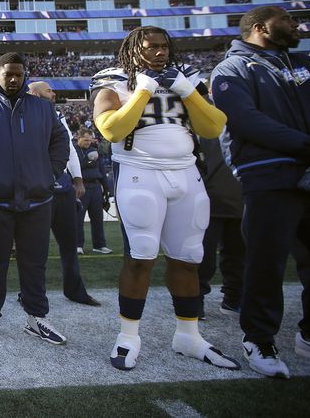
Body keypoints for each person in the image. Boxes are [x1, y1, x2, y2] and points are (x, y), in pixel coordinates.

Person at [91, 25, 238, 372]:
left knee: (189, 257)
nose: (159, 52)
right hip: (140, 172)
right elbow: (111, 129)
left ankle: (188, 335)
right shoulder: (113, 80)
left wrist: (186, 90)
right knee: (141, 256)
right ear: (132, 49)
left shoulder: (186, 77)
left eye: (163, 46)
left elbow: (213, 126)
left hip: (186, 172)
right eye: (150, 47)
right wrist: (143, 91)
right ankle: (128, 336)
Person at [210, 6, 310, 378]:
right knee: (266, 262)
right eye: (287, 19)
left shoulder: (302, 61)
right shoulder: (232, 69)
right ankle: (259, 337)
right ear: (260, 27)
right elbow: (246, 121)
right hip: (268, 175)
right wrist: (305, 144)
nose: (296, 25)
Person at [0, 53, 70, 345]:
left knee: (34, 263)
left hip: (36, 200)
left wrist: (49, 173)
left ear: (25, 75)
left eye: (19, 75)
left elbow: (60, 142)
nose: (13, 79)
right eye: (8, 74)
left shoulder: (43, 108)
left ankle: (36, 318)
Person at [27, 81, 100, 307]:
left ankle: (74, 290)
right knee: (35, 248)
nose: (54, 93)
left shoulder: (57, 115)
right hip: (38, 187)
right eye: (49, 90)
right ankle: (30, 294)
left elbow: (68, 149)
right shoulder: (22, 114)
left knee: (69, 244)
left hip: (63, 187)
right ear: (34, 93)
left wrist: (77, 179)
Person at [197, 136, 245, 319]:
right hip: (208, 199)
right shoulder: (204, 121)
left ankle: (233, 297)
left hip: (240, 197)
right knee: (203, 256)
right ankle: (195, 299)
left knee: (238, 254)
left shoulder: (241, 119)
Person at [74, 128, 112, 255]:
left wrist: (107, 189)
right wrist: (89, 160)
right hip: (81, 187)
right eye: (85, 140)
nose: (88, 143)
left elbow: (101, 170)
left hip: (95, 186)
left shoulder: (94, 150)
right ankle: (78, 245)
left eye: (90, 140)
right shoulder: (73, 151)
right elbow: (75, 166)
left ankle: (99, 245)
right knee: (78, 218)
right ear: (78, 138)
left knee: (97, 218)